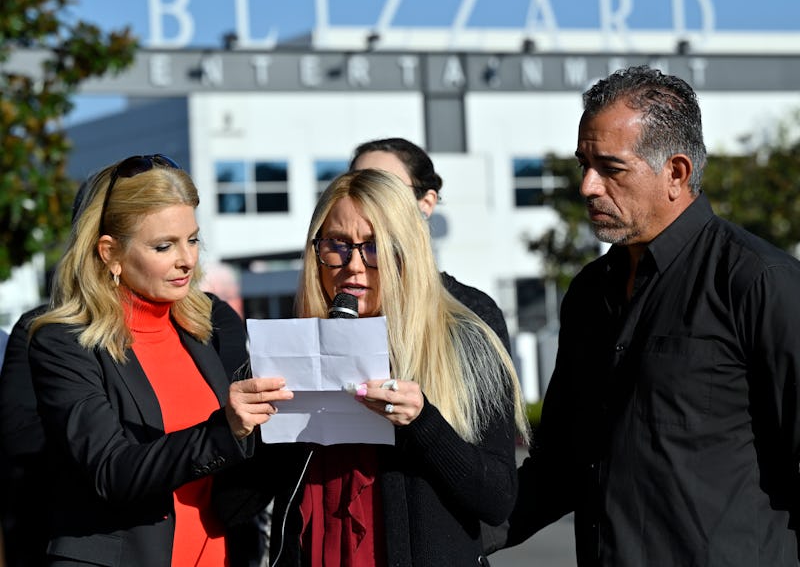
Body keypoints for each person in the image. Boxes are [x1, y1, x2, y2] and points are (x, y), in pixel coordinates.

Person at [496, 65, 800, 566]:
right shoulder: (590, 294)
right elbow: (555, 471)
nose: (588, 186)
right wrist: (438, 534)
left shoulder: (760, 284)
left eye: (611, 168)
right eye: (583, 165)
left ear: (676, 173)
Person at [216, 168, 530, 565]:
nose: (354, 266)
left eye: (375, 247)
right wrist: (244, 430)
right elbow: (231, 507)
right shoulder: (285, 353)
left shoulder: (465, 341)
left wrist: (423, 423)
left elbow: (498, 499)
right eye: (337, 245)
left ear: (409, 252)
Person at [26, 154, 293, 566]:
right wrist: (226, 429)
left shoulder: (209, 324)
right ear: (110, 253)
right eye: (164, 246)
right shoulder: (63, 342)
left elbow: (243, 460)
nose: (186, 259)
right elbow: (110, 470)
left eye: (192, 239)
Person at [349, 137, 512, 352]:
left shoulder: (472, 312)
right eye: (357, 186)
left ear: (426, 203)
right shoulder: (324, 301)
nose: (369, 198)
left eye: (388, 187)